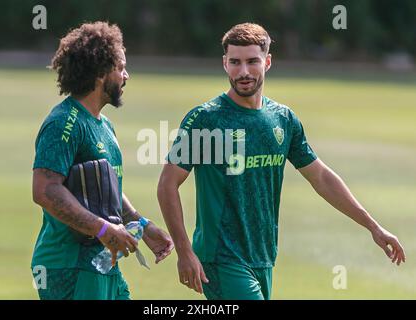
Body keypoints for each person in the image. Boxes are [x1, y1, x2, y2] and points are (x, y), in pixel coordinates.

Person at [157, 22, 406, 300]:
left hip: (263, 257)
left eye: (252, 61)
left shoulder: (283, 119)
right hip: (220, 258)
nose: (243, 72)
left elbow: (321, 177)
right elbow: (168, 183)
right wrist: (184, 251)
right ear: (224, 64)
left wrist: (373, 226)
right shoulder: (206, 119)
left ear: (268, 62)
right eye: (235, 62)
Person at [31, 21, 174, 300]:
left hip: (101, 264)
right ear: (100, 73)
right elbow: (45, 190)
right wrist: (103, 229)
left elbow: (106, 190)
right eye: (121, 68)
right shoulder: (63, 123)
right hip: (69, 266)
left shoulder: (103, 125)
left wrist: (141, 225)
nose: (126, 76)